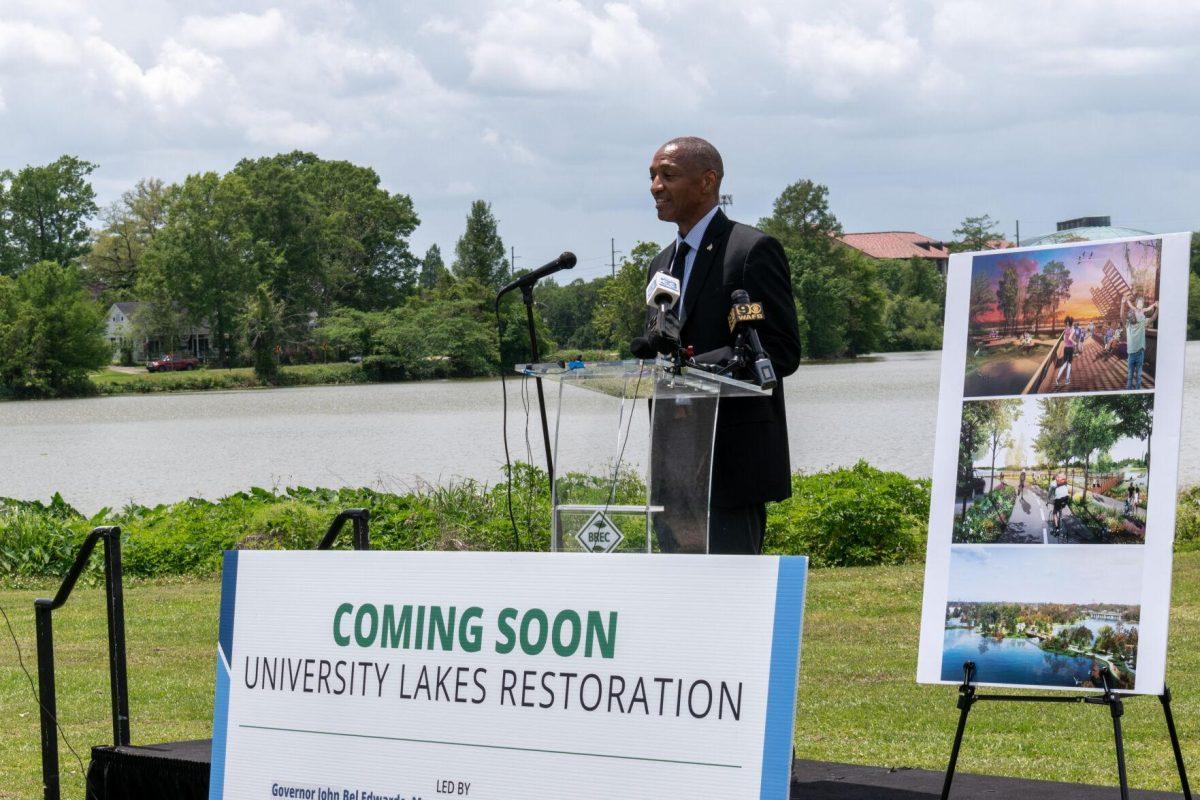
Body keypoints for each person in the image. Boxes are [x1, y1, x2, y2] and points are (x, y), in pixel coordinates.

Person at [644, 136, 801, 554]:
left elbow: (780, 349)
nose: (656, 186)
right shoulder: (661, 264)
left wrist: (696, 368)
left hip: (730, 459)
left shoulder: (750, 250)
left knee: (733, 598)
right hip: (673, 463)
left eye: (668, 175)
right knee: (679, 596)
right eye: (653, 176)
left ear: (706, 181)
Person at [1122, 293, 1159, 390]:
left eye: (1141, 304)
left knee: (1138, 377)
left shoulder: (1143, 321)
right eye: (1132, 314)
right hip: (1131, 353)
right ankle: (1129, 391)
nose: (1133, 314)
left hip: (1140, 352)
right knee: (1129, 377)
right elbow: (1123, 315)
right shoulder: (1128, 324)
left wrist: (1157, 308)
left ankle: (1137, 390)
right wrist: (1123, 303)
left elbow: (1152, 318)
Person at [1054, 316, 1076, 387]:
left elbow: (1064, 338)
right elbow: (1070, 338)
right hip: (1070, 348)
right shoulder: (1072, 330)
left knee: (1064, 364)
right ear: (1071, 322)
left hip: (1065, 348)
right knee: (1069, 364)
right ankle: (1067, 380)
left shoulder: (1065, 329)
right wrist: (1074, 342)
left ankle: (1057, 378)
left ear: (1067, 323)